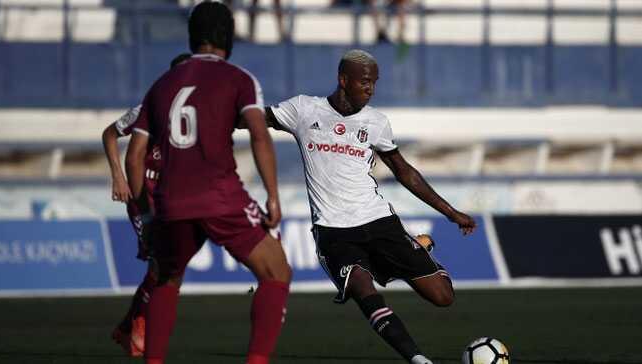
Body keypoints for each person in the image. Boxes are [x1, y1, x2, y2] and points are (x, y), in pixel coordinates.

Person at [244, 49, 476, 364]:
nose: (371, 89)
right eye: (365, 82)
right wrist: (217, 118)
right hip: (333, 231)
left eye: (374, 83)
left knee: (443, 297)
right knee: (362, 289)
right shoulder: (303, 109)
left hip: (378, 220)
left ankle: (421, 248)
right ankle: (418, 359)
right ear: (343, 80)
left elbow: (403, 171)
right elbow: (255, 119)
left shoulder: (376, 122)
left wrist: (451, 213)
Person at [125, 2, 292, 364]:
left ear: (192, 36)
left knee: (168, 278)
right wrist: (273, 197)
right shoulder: (239, 78)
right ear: (227, 37)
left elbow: (134, 155)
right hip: (220, 195)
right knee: (276, 270)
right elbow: (260, 136)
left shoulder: (161, 84)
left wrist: (147, 215)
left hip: (170, 200)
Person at [102, 54, 192, 357]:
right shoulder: (147, 109)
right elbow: (110, 133)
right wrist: (118, 176)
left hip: (171, 200)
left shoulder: (194, 117)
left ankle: (128, 326)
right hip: (143, 198)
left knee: (163, 267)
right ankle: (138, 329)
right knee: (159, 264)